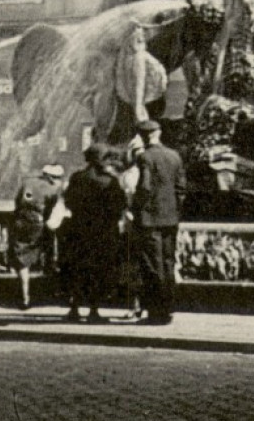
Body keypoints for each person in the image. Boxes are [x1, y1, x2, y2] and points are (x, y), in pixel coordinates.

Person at [62, 145, 129, 324]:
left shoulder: (77, 178)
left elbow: (68, 201)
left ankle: (74, 308)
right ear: (102, 159)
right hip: (102, 232)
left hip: (79, 230)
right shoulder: (109, 182)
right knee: (98, 270)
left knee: (78, 269)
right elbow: (119, 206)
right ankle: (93, 310)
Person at [128, 120, 185, 325]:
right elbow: (181, 189)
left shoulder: (145, 157)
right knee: (168, 262)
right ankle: (168, 309)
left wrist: (134, 209)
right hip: (170, 219)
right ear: (158, 133)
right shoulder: (174, 156)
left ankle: (156, 312)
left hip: (149, 219)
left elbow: (144, 188)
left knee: (152, 265)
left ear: (143, 136)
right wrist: (174, 212)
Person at [7, 187, 48, 311]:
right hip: (38, 230)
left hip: (21, 228)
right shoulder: (48, 189)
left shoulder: (28, 187)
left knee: (23, 265)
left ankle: (25, 297)